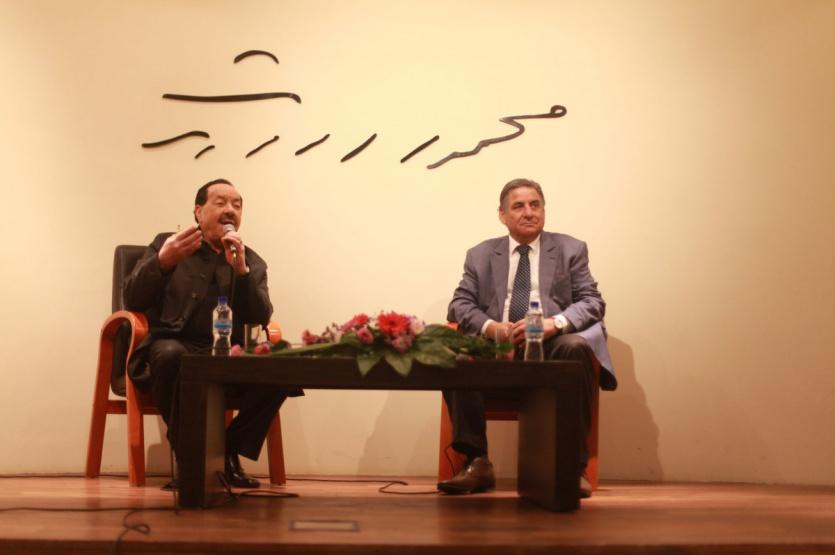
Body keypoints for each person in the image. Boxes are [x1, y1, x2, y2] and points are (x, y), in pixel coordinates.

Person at [440, 178, 617, 496]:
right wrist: (492, 328)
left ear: (544, 210)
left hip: (550, 343)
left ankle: (570, 467)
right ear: (502, 215)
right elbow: (460, 304)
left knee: (576, 348)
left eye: (535, 205)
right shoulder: (480, 254)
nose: (529, 212)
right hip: (497, 345)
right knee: (457, 357)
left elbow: (592, 302)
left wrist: (555, 323)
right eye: (519, 206)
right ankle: (477, 461)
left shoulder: (570, 249)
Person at [125, 178, 287, 489]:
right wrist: (162, 262)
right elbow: (132, 298)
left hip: (229, 356)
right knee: (172, 354)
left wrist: (241, 272)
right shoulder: (170, 244)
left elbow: (260, 319)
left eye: (237, 205)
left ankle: (227, 452)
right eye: (220, 202)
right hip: (174, 348)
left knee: (281, 366)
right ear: (198, 212)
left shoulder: (251, 260)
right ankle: (192, 460)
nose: (230, 210)